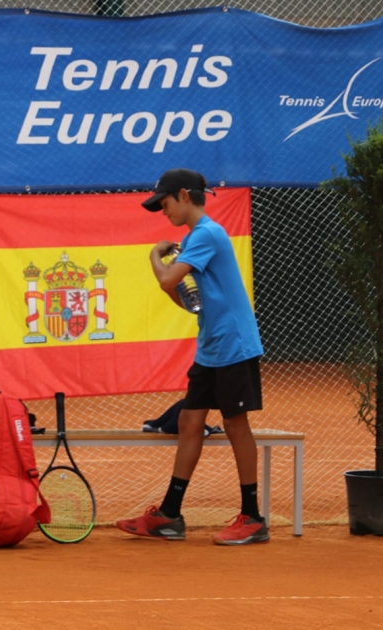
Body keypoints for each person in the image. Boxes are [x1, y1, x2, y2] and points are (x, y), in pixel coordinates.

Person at [116, 168, 268, 545]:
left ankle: (253, 518)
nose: (162, 212)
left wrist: (154, 255)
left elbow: (168, 280)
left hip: (234, 344)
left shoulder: (206, 234)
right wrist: (170, 278)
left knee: (235, 424)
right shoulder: (195, 240)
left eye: (164, 204)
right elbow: (188, 300)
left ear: (184, 195)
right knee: (189, 420)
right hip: (212, 346)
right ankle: (170, 515)